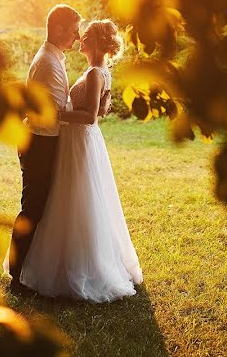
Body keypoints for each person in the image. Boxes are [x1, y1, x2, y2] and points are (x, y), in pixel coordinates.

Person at [19, 19, 143, 302]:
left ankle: (79, 266)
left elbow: (89, 116)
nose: (79, 38)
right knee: (71, 198)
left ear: (97, 42)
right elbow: (101, 109)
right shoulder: (98, 71)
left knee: (77, 199)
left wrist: (56, 115)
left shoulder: (95, 73)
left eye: (84, 36)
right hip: (78, 141)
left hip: (79, 141)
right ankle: (68, 259)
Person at [4, 5, 81, 291]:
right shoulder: (48, 62)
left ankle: (27, 269)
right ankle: (16, 276)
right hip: (39, 143)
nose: (77, 37)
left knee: (37, 208)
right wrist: (86, 111)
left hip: (42, 140)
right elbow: (55, 111)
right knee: (32, 209)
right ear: (58, 29)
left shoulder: (53, 57)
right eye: (74, 31)